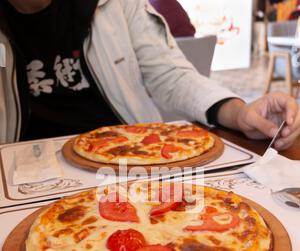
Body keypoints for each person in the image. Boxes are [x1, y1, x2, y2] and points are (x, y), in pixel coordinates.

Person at [0, 0, 299, 151]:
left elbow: (171, 75)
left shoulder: (116, 4)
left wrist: (240, 113)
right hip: (21, 169)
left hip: (129, 159)